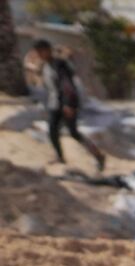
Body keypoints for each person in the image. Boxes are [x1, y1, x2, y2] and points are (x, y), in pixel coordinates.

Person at [34, 40, 105, 172]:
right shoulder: (46, 66)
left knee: (73, 133)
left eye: (41, 51)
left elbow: (67, 85)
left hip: (67, 104)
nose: (40, 54)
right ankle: (60, 157)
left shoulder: (59, 65)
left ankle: (98, 155)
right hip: (54, 104)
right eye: (38, 52)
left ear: (48, 50)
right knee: (52, 131)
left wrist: (69, 105)